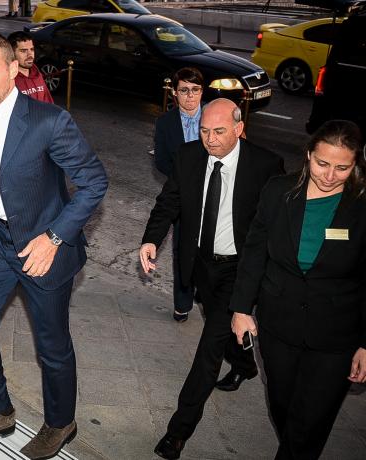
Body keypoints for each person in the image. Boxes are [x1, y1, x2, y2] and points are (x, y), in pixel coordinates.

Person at [0, 33, 107, 459]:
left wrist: (55, 238)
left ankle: (61, 423)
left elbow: (94, 182)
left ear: (11, 70)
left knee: (51, 346)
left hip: (43, 245)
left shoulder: (48, 121)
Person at [139, 98, 284, 459]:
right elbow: (169, 202)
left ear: (239, 129)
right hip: (201, 264)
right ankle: (246, 364)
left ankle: (178, 431)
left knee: (208, 349)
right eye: (204, 131)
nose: (210, 139)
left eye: (219, 131)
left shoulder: (266, 166)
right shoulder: (188, 156)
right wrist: (151, 239)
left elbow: (275, 228)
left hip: (240, 269)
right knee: (223, 331)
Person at [230, 120, 366, 459]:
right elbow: (254, 252)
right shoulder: (279, 191)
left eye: (342, 168)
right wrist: (241, 308)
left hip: (337, 336)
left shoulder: (362, 206)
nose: (330, 175)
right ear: (308, 155)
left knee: (310, 421)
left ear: (355, 165)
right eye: (322, 163)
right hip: (279, 325)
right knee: (283, 407)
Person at [154, 67, 204, 323]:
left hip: (214, 191)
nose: (190, 95)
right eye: (184, 90)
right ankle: (182, 302)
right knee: (182, 248)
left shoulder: (214, 117)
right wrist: (182, 178)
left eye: (195, 90)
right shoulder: (165, 122)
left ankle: (205, 291)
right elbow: (161, 161)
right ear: (175, 93)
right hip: (182, 195)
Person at [7, 31, 53, 104]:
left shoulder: (37, 74)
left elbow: (49, 104)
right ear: (12, 53)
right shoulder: (7, 79)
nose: (30, 55)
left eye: (32, 49)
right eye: (23, 51)